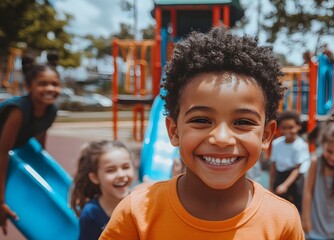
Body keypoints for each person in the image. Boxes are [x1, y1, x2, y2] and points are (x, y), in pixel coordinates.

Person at [100, 27, 304, 239]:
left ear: (266, 135)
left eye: (243, 122)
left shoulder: (283, 221)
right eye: (201, 120)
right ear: (174, 130)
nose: (222, 139)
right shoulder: (135, 214)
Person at [0, 60, 61, 236]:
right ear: (29, 86)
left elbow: (38, 148)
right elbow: (2, 153)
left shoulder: (51, 111)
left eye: (55, 84)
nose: (50, 88)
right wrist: (1, 201)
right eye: (43, 83)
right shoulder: (19, 111)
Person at [70, 140, 135, 240]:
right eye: (111, 170)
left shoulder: (139, 203)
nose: (121, 175)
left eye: (125, 167)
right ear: (95, 177)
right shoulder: (92, 213)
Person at [269, 110, 310, 212]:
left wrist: (285, 185)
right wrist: (271, 186)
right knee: (278, 208)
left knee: (295, 208)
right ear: (279, 128)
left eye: (291, 127)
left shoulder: (301, 145)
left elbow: (297, 169)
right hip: (280, 176)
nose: (287, 131)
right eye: (284, 128)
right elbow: (273, 165)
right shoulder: (276, 144)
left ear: (298, 127)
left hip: (294, 179)